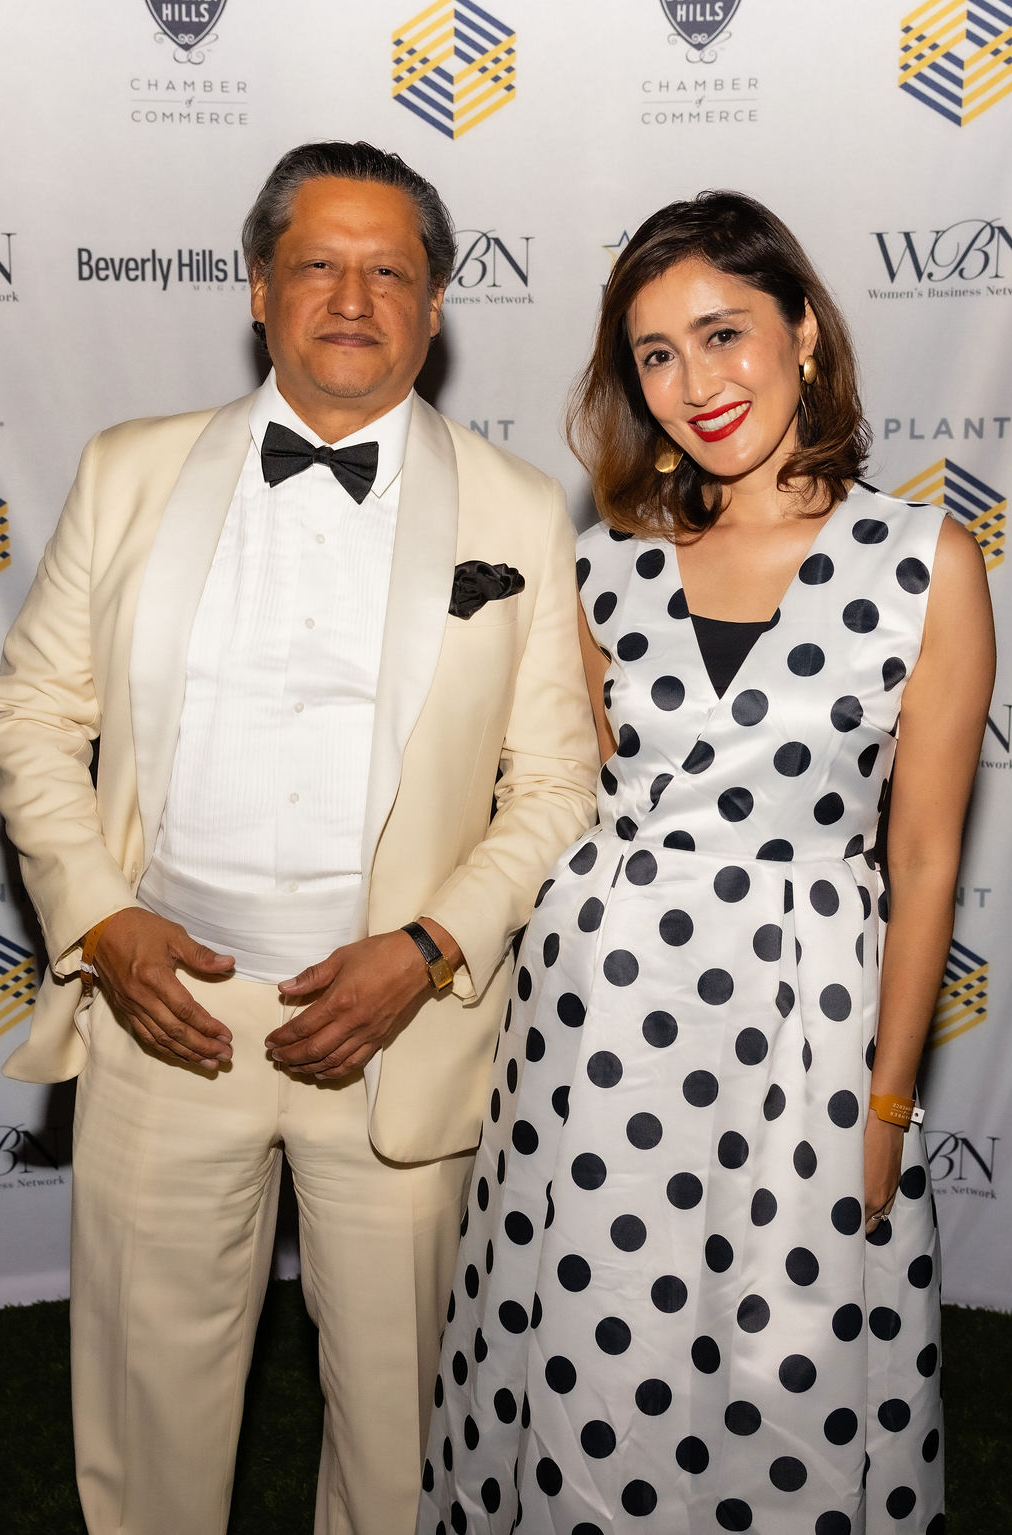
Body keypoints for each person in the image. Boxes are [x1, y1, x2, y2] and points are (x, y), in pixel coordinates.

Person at [0, 141, 597, 1535]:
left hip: (399, 1032)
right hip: (166, 1016)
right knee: (144, 1418)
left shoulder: (516, 504)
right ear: (259, 287)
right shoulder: (129, 469)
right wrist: (99, 918)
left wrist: (429, 950)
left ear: (434, 309)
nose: (353, 298)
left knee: (400, 1434)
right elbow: (33, 711)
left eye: (391, 271)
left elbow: (558, 781)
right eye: (318, 263)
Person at [417, 191, 995, 1534]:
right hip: (596, 1023)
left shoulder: (926, 562)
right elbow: (558, 791)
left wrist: (891, 1101)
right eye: (657, 355)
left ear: (804, 332)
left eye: (724, 333)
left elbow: (923, 854)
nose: (696, 384)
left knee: (788, 1357)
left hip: (809, 1026)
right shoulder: (604, 562)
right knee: (591, 1334)